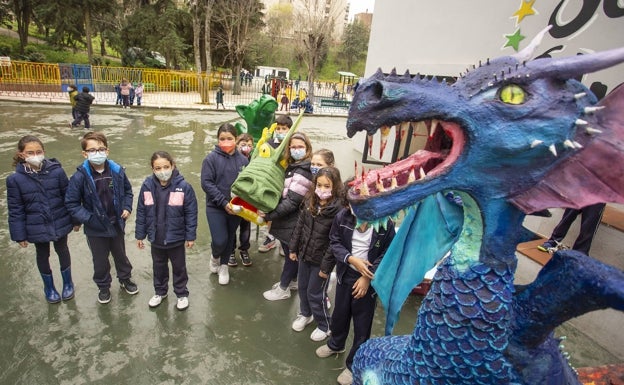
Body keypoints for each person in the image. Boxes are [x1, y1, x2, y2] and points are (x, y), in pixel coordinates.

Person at [315, 207, 396, 385]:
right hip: (346, 275)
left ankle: (353, 364)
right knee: (340, 314)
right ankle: (336, 344)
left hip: (368, 280)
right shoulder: (342, 217)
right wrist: (351, 259)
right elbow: (334, 242)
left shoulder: (385, 223)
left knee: (362, 323)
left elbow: (388, 253)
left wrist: (367, 277)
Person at [65, 131, 138, 304]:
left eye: (101, 149)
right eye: (92, 150)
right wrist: (89, 219)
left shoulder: (117, 171)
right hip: (95, 229)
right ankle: (104, 287)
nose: (97, 153)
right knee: (100, 260)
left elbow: (128, 191)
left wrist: (127, 207)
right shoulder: (80, 177)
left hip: (117, 224)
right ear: (85, 153)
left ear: (107, 150)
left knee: (121, 255)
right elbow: (72, 203)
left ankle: (125, 279)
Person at [6, 135, 76, 304]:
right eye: (30, 152)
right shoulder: (15, 180)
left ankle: (68, 283)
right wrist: (19, 235)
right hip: (36, 225)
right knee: (42, 254)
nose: (35, 155)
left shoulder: (57, 172)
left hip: (59, 219)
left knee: (62, 249)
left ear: (44, 152)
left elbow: (68, 197)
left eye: (38, 151)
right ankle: (49, 287)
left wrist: (75, 220)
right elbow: (15, 209)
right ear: (21, 154)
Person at [136, 151, 197, 310]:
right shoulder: (147, 186)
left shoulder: (183, 187)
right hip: (156, 238)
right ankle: (160, 292)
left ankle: (181, 293)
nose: (162, 171)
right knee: (158, 267)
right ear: (152, 169)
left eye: (166, 167)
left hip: (176, 238)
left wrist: (190, 236)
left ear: (172, 165)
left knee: (179, 267)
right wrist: (140, 235)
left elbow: (191, 212)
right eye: (158, 168)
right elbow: (141, 211)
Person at [290, 166, 344, 341]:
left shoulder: (338, 211)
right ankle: (305, 314)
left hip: (321, 262)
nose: (322, 190)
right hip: (305, 255)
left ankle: (324, 324)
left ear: (335, 187)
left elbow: (334, 242)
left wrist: (326, 267)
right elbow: (300, 227)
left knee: (316, 293)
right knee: (303, 288)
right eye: (319, 185)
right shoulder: (309, 202)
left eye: (327, 186)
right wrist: (293, 248)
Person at [261, 132, 314, 301]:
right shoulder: (294, 167)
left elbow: (292, 201)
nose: (296, 150)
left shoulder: (303, 171)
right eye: (293, 147)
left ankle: (283, 288)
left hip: (293, 222)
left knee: (291, 255)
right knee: (289, 252)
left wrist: (269, 215)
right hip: (288, 221)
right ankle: (292, 282)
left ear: (307, 148)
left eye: (300, 147)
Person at [201, 123, 249, 285]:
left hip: (236, 208)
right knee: (219, 239)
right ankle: (215, 256)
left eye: (229, 138)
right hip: (215, 207)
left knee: (229, 237)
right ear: (218, 140)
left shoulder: (243, 160)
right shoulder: (211, 159)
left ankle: (224, 266)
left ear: (236, 139)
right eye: (222, 139)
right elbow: (207, 183)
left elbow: (248, 184)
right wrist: (223, 203)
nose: (226, 141)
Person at [258, 115, 294, 253]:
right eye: (278, 128)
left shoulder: (292, 145)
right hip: (272, 182)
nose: (280, 131)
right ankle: (271, 237)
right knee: (271, 208)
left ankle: (283, 241)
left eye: (283, 128)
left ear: (290, 130)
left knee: (284, 210)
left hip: (287, 182)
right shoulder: (270, 142)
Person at [537, 203, 606, 254]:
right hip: (581, 189)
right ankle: (553, 241)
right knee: (567, 217)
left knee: (589, 225)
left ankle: (579, 252)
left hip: (600, 195)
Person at [229, 133, 254, 267]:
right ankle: (231, 251)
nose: (246, 148)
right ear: (237, 145)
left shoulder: (254, 160)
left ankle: (244, 249)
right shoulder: (232, 159)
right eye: (243, 145)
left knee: (246, 225)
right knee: (232, 226)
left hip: (247, 199)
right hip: (234, 198)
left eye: (249, 145)